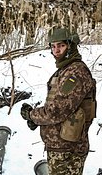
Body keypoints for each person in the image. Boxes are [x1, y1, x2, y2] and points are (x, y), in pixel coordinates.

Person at [21, 27, 96, 175]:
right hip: (61, 147)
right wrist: (38, 120)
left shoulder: (75, 72)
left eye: (61, 45)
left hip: (67, 150)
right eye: (53, 46)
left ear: (71, 46)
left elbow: (56, 111)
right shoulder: (65, 70)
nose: (56, 50)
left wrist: (32, 115)